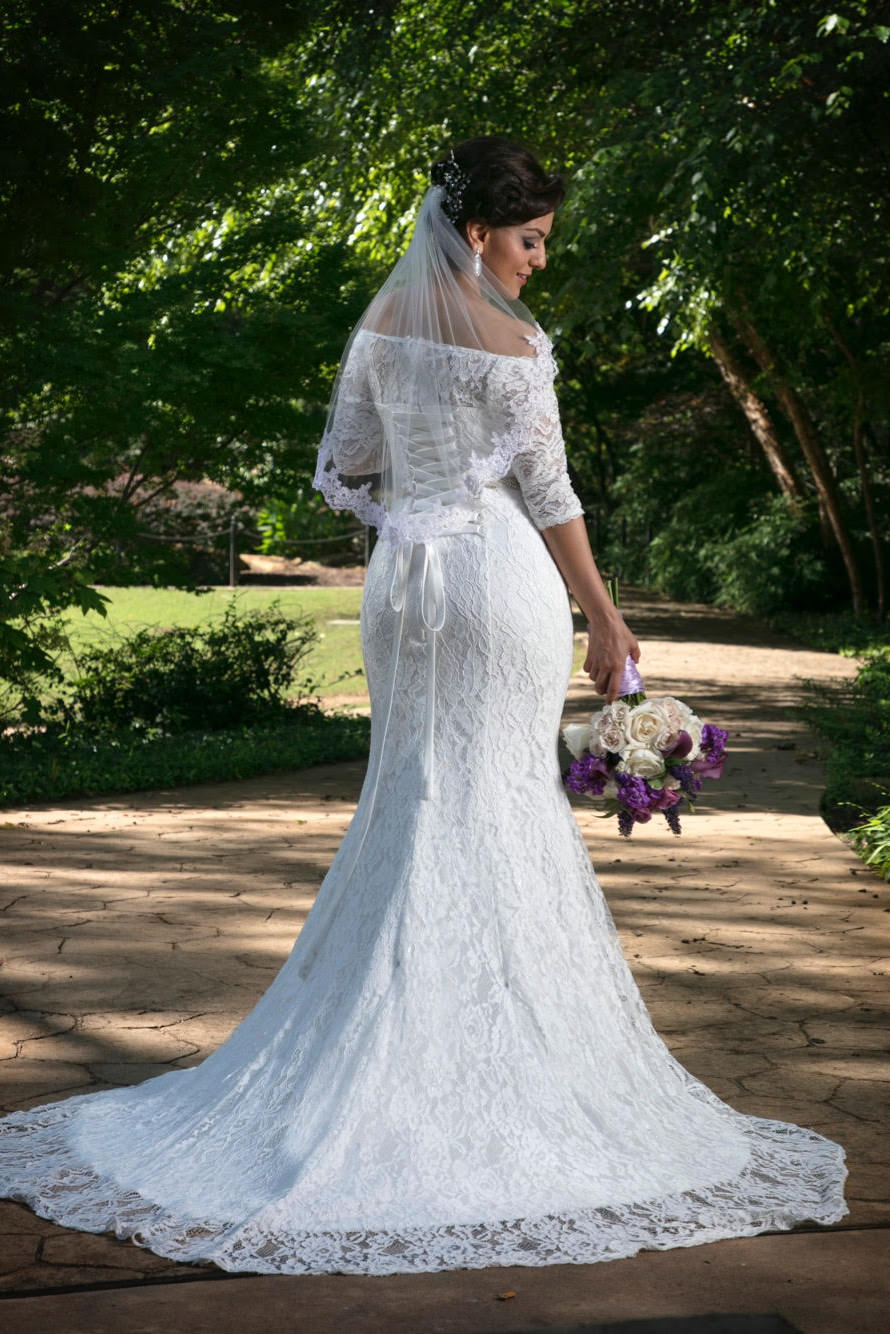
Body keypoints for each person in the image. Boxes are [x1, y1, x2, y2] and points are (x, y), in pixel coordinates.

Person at [0, 137, 846, 1275]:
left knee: (414, 798)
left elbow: (351, 464)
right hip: (497, 581)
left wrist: (414, 527)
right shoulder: (511, 341)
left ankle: (386, 1047)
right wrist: (604, 615)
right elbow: (546, 494)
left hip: (402, 586)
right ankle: (496, 1068)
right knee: (494, 801)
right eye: (531, 239)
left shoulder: (380, 334)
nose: (538, 262)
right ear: (478, 231)